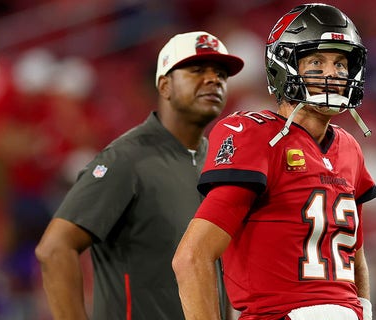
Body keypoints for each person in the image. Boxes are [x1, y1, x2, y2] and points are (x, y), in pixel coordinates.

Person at [173, 4, 376, 320]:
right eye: (316, 62)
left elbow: (355, 256)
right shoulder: (257, 137)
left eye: (340, 63)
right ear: (284, 67)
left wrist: (364, 312)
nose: (333, 74)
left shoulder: (349, 147)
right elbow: (192, 256)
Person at [35, 31, 243, 319]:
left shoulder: (220, 162)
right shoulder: (127, 159)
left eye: (221, 73)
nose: (213, 79)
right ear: (165, 85)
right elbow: (55, 248)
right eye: (197, 71)